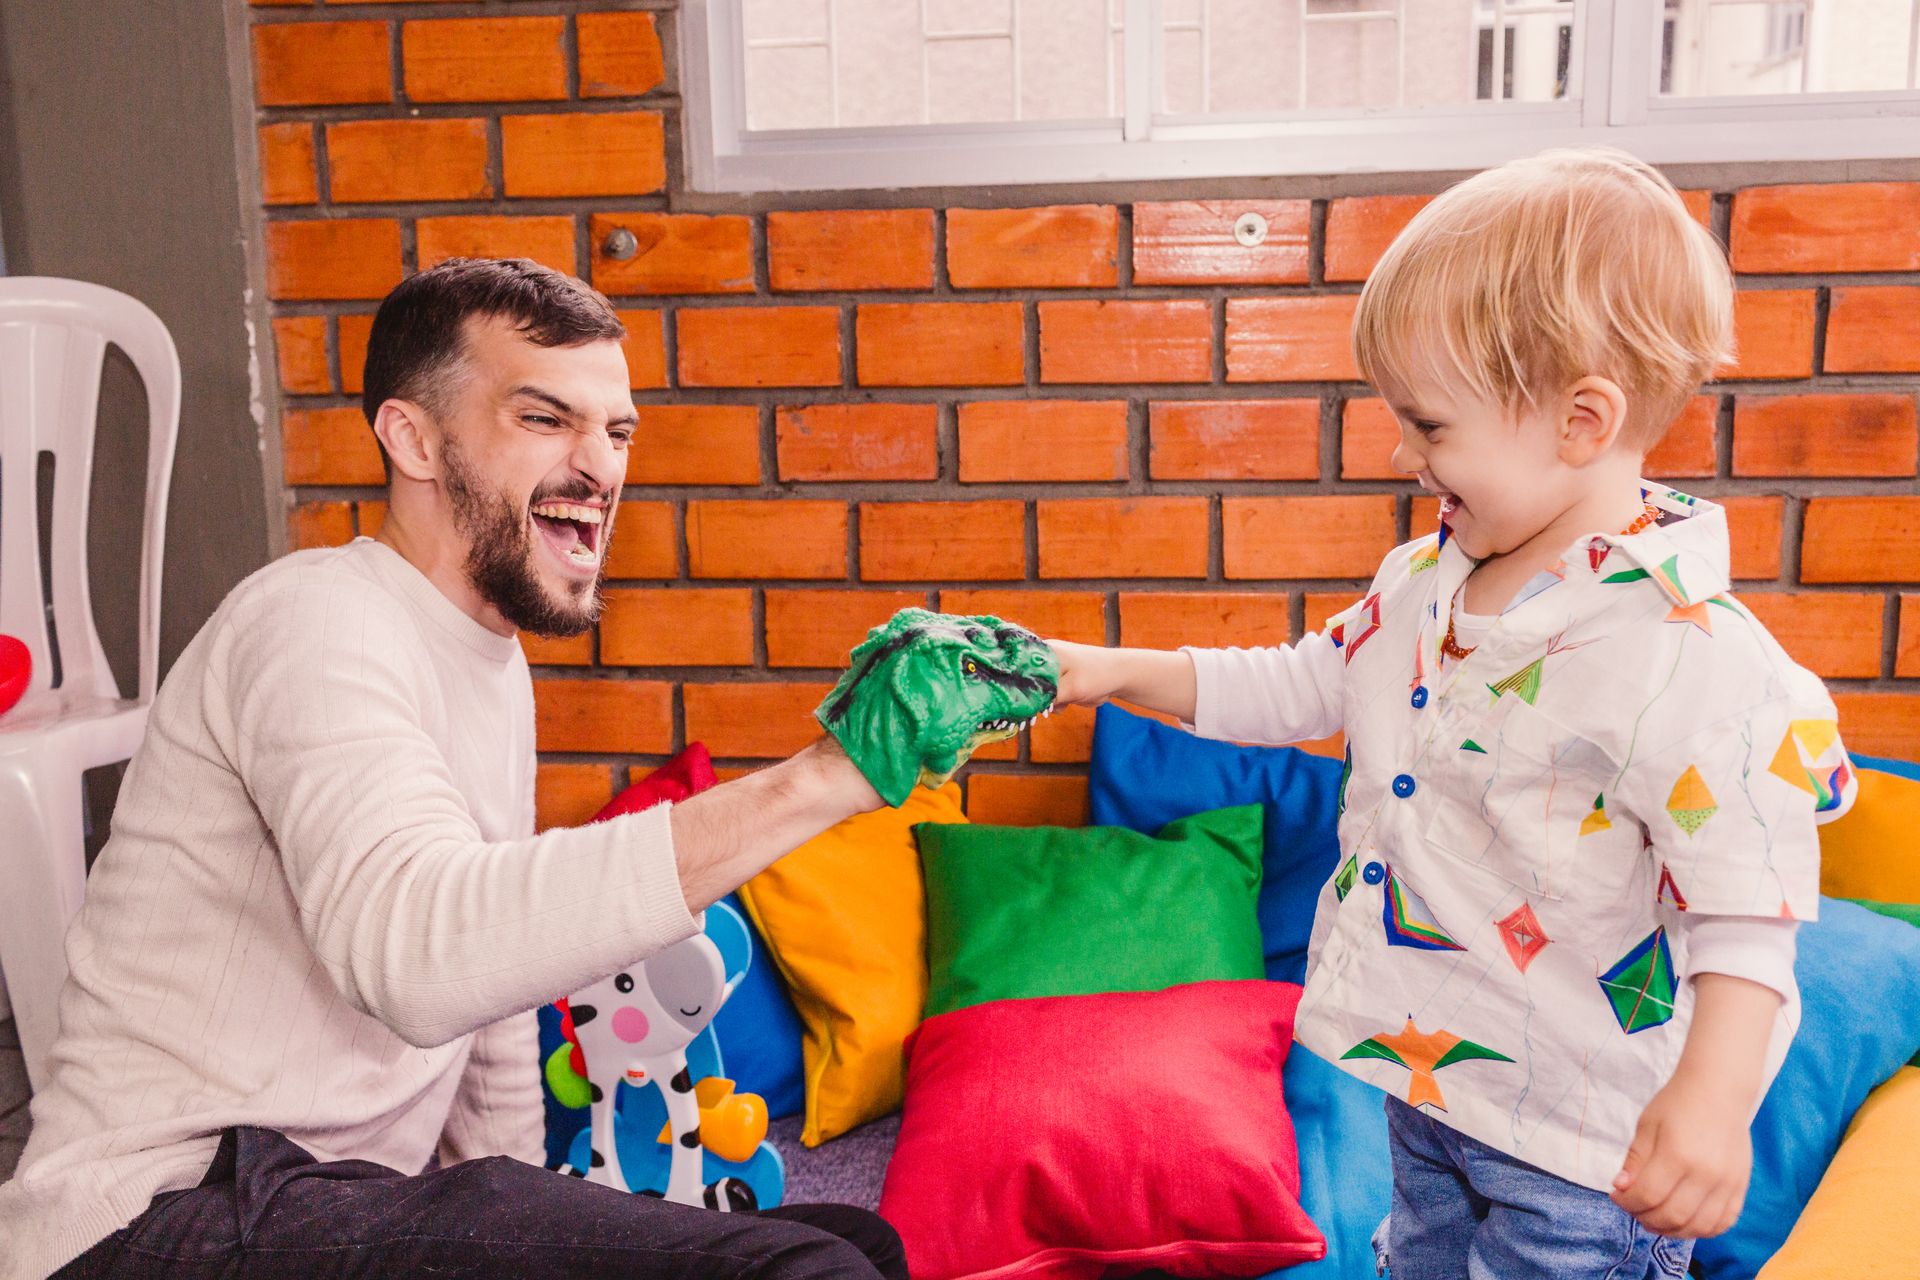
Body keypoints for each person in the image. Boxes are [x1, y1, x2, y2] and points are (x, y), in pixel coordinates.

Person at [0, 258, 903, 1280]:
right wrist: (820, 779)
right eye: (544, 418)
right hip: (159, 1219)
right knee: (804, 1272)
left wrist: (539, 1211)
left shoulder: (490, 663)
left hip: (333, 1207)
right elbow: (422, 960)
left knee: (854, 1243)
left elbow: (489, 1015)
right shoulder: (314, 621)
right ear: (414, 438)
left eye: (616, 431)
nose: (599, 466)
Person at [1047, 150, 1856, 1279]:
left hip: (1583, 1145)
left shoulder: (1690, 654)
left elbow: (1748, 900)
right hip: (1436, 1083)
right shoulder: (1422, 581)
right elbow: (1297, 684)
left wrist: (1713, 1102)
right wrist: (1099, 670)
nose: (1401, 455)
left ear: (1581, 421)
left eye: (1429, 426)